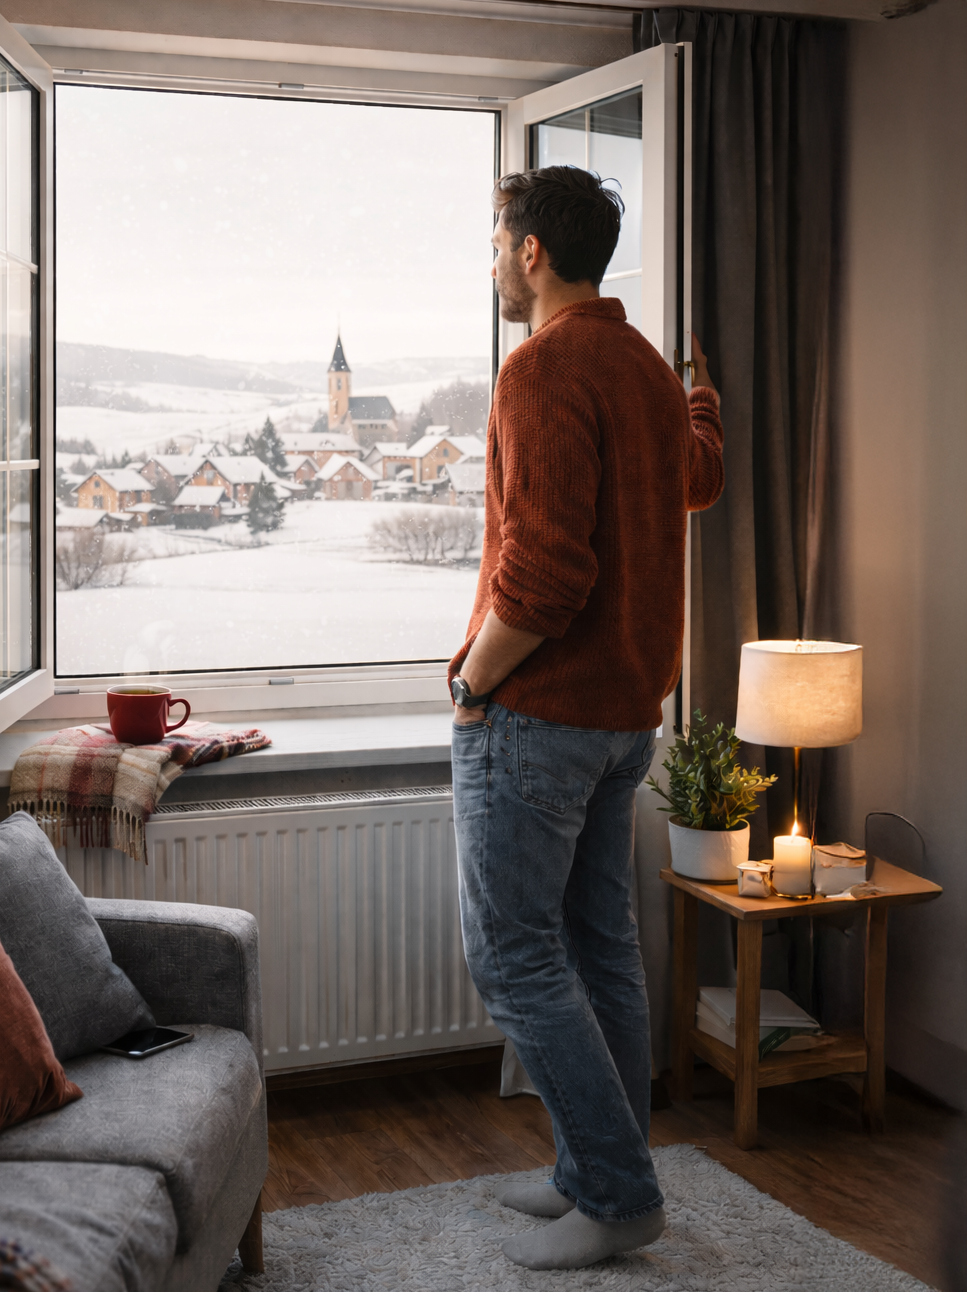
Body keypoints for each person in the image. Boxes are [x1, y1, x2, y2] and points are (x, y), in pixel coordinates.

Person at [448, 165, 725, 1271]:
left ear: (531, 252)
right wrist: (701, 397)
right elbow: (696, 476)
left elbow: (547, 571)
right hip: (623, 722)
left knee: (512, 956)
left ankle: (614, 1192)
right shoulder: (644, 367)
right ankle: (590, 1170)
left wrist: (473, 681)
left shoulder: (541, 367)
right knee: (597, 945)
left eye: (495, 244)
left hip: (542, 715)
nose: (491, 264)